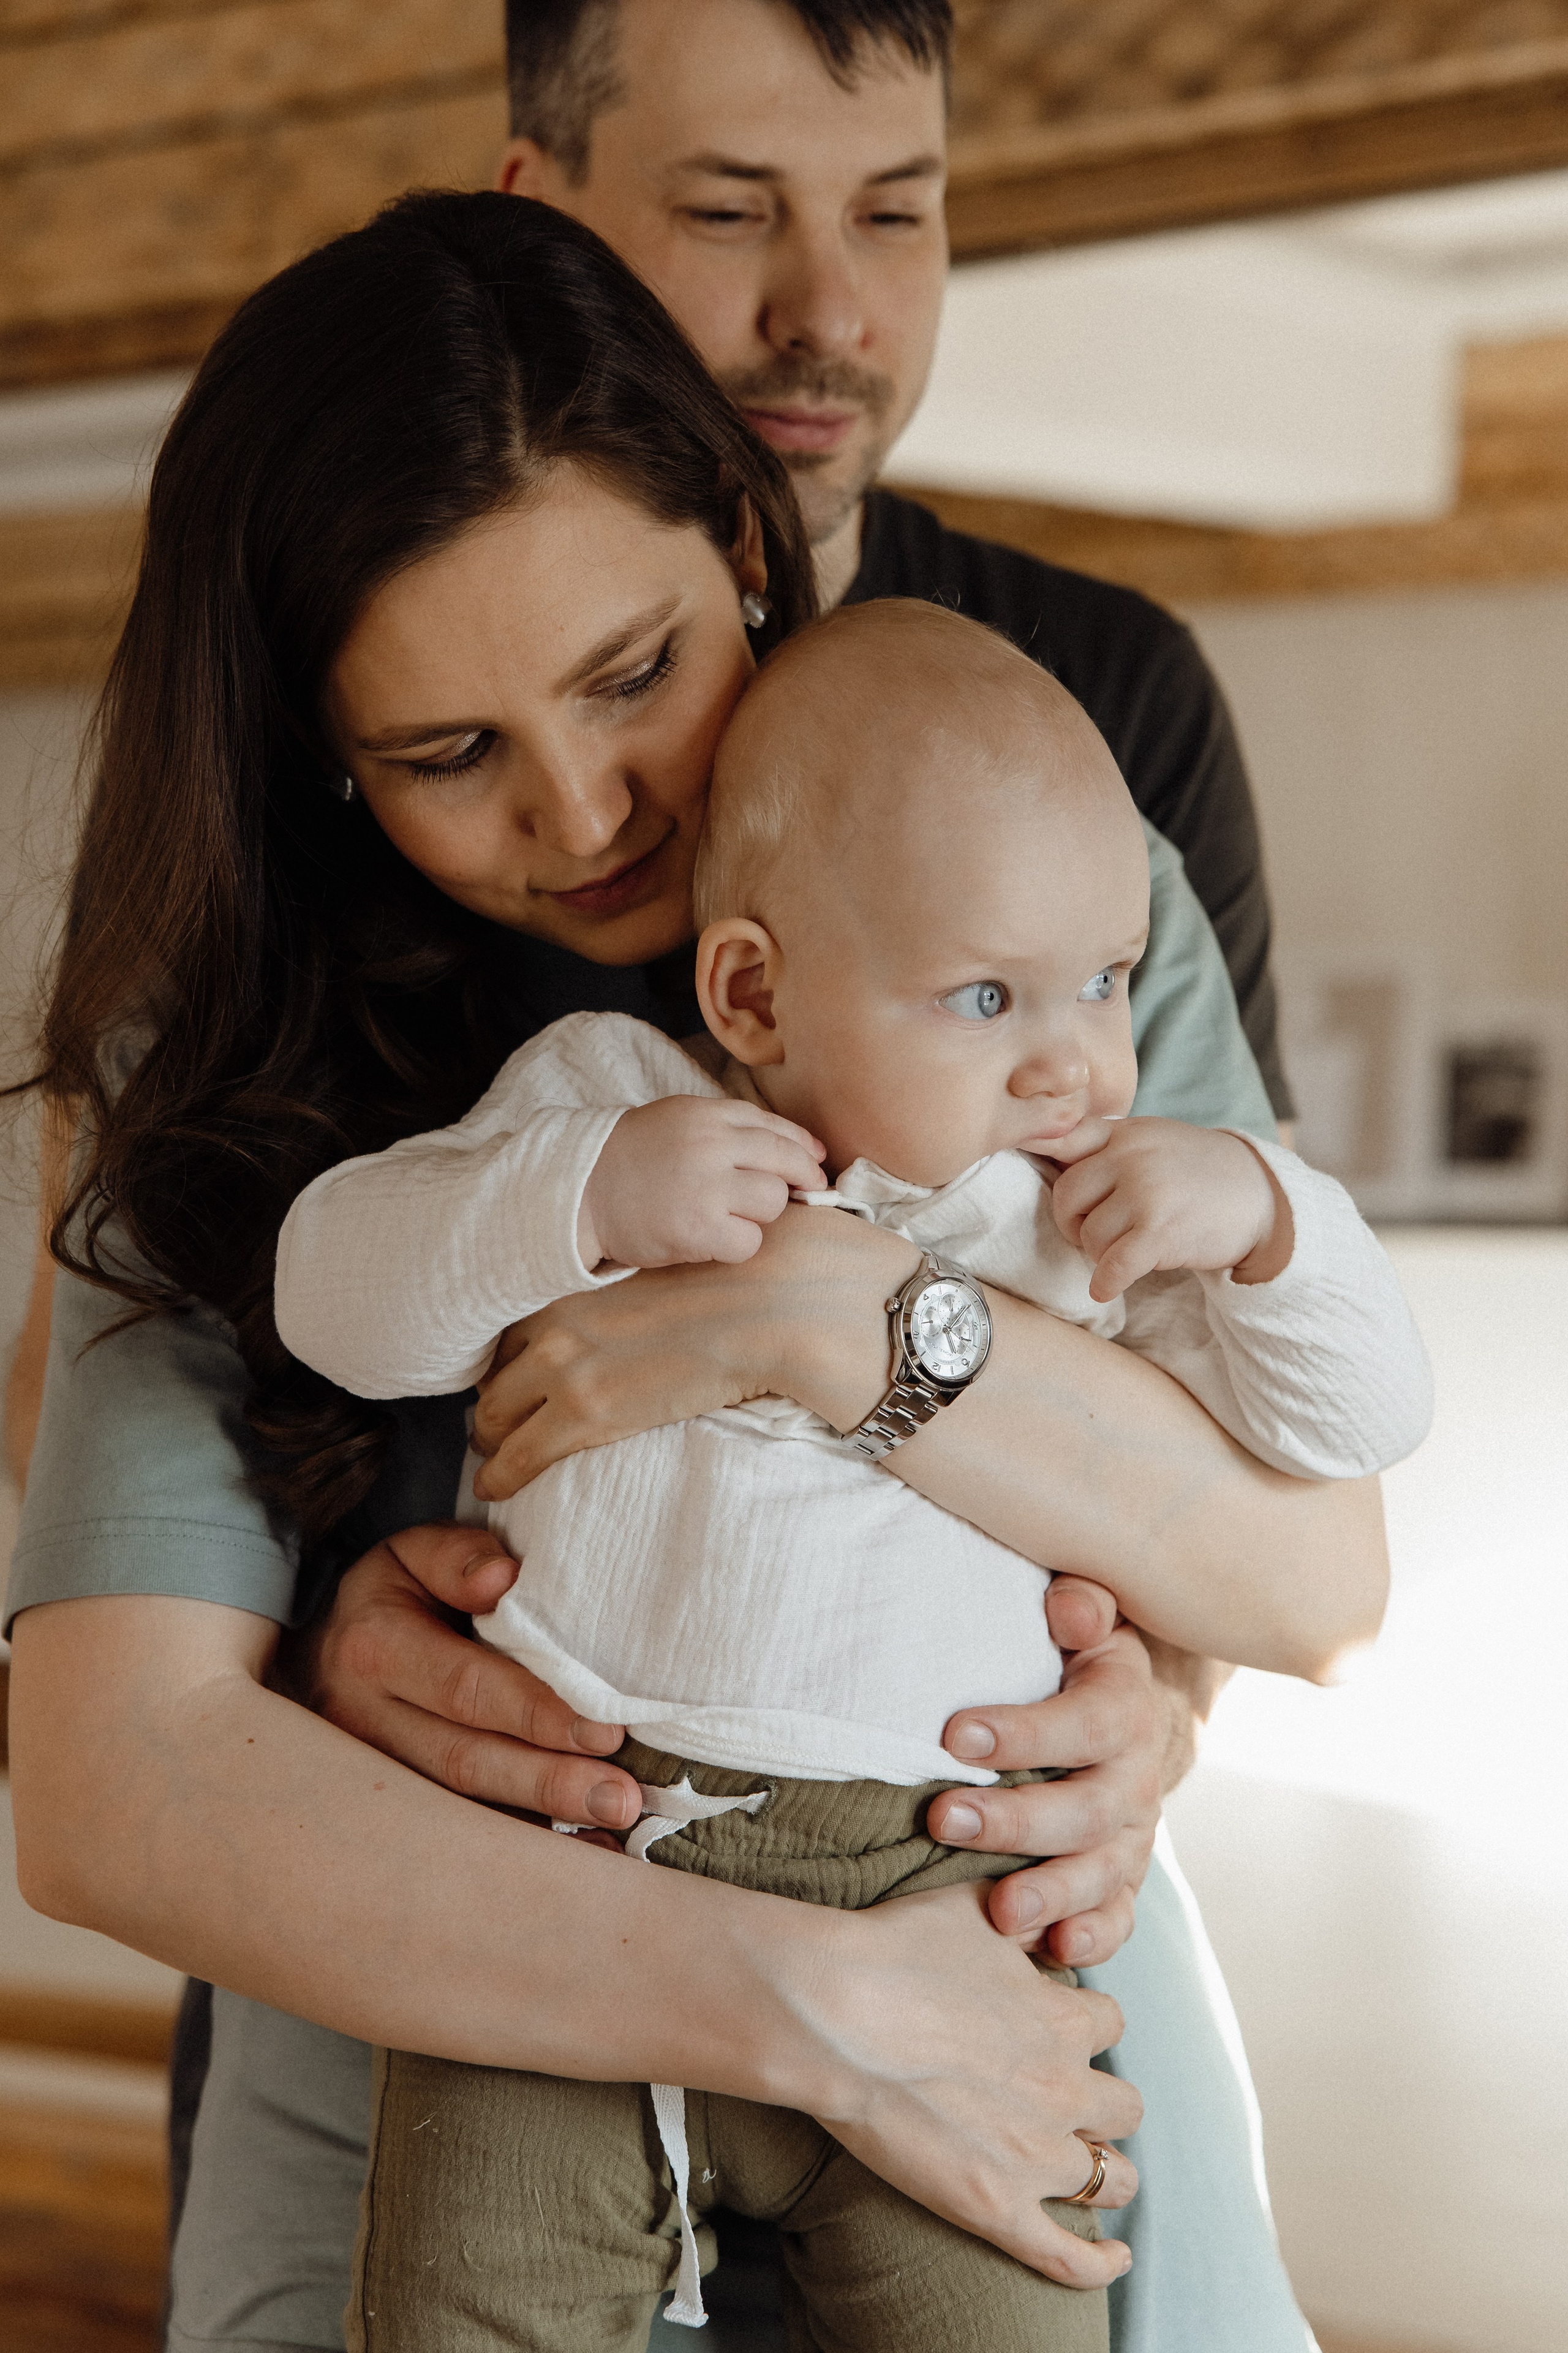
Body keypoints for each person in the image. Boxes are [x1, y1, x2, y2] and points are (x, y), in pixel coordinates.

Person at [0, 163, 1369, 2353]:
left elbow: (1307, 1572)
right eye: (448, 755)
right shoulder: (232, 1037)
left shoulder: (1034, 892)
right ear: (323, 762)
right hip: (451, 2018)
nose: (588, 810)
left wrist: (853, 1340)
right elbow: (105, 1783)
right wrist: (813, 2006)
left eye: (635, 671)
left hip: (979, 1963)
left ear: (743, 546)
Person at [275, 600, 1429, 2352]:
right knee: (462, 2308)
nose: (1077, 1061)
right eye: (988, 996)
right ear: (753, 988)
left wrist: (1275, 1223)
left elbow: (1352, 1433)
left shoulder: (1089, 1223)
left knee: (1021, 2308)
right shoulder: (609, 1098)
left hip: (941, 1888)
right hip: (575, 1886)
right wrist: (577, 1196)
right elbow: (331, 1296)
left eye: (1107, 983)